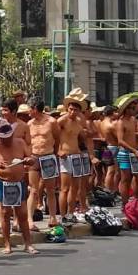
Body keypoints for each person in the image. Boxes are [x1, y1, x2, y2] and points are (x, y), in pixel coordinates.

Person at [0, 121, 38, 254]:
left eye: (8, 137)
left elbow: (32, 159)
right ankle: (7, 244)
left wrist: (28, 160)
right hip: (3, 183)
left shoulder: (20, 143)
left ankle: (28, 244)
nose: (6, 140)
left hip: (19, 182)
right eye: (3, 138)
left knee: (22, 213)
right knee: (5, 214)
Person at [26, 98, 61, 229]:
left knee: (50, 189)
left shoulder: (51, 122)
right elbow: (28, 142)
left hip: (48, 156)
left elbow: (57, 139)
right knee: (33, 190)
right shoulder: (29, 124)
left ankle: (52, 217)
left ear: (35, 108)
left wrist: (55, 154)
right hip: (34, 157)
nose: (28, 111)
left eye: (30, 108)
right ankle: (30, 219)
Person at [57, 92, 89, 222]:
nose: (72, 112)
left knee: (75, 187)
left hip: (76, 156)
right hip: (65, 156)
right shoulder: (62, 120)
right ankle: (63, 215)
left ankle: (70, 213)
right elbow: (54, 136)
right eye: (70, 109)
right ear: (67, 109)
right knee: (64, 188)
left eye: (75, 110)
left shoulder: (79, 121)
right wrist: (58, 151)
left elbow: (81, 138)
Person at [114, 96, 138, 202]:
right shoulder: (121, 122)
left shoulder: (133, 120)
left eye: (134, 107)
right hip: (125, 154)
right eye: (132, 108)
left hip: (135, 153)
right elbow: (120, 141)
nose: (135, 110)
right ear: (126, 109)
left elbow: (133, 135)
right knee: (125, 180)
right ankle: (125, 204)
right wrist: (134, 150)